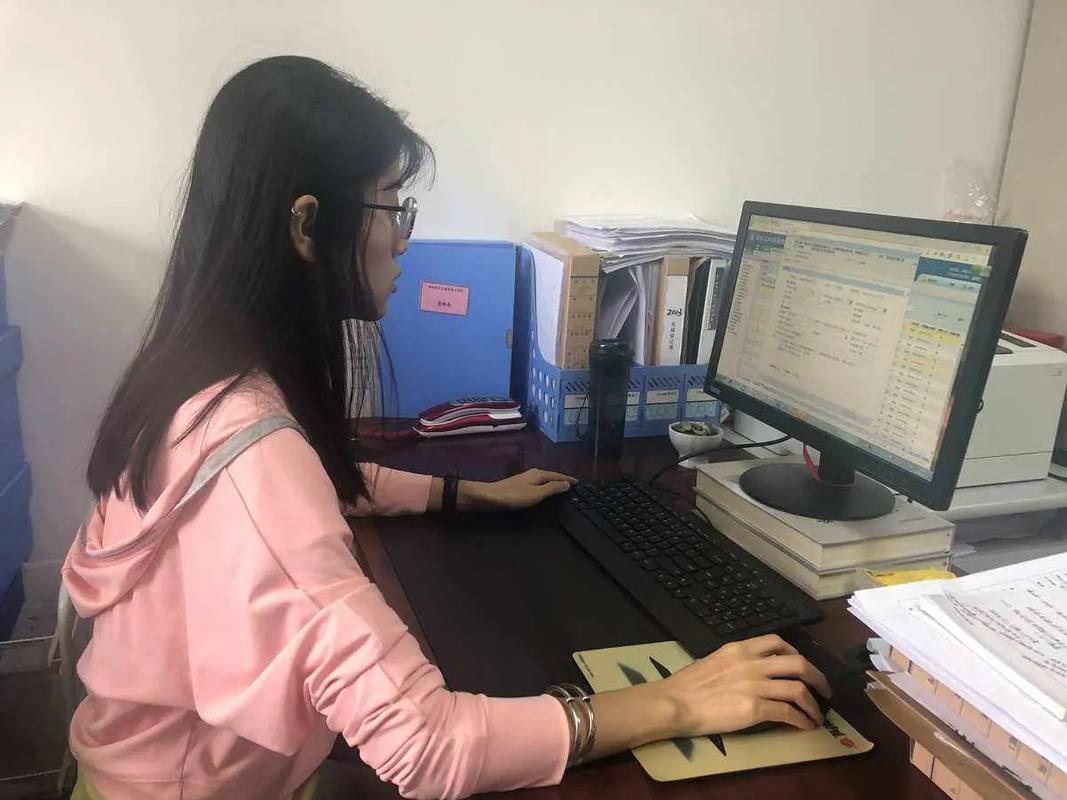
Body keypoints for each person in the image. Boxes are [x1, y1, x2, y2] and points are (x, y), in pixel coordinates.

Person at [62, 55, 831, 800]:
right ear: (306, 225)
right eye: (391, 205)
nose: (403, 238)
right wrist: (678, 700)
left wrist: (462, 493)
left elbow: (301, 498)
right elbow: (427, 747)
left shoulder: (203, 380)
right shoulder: (253, 455)